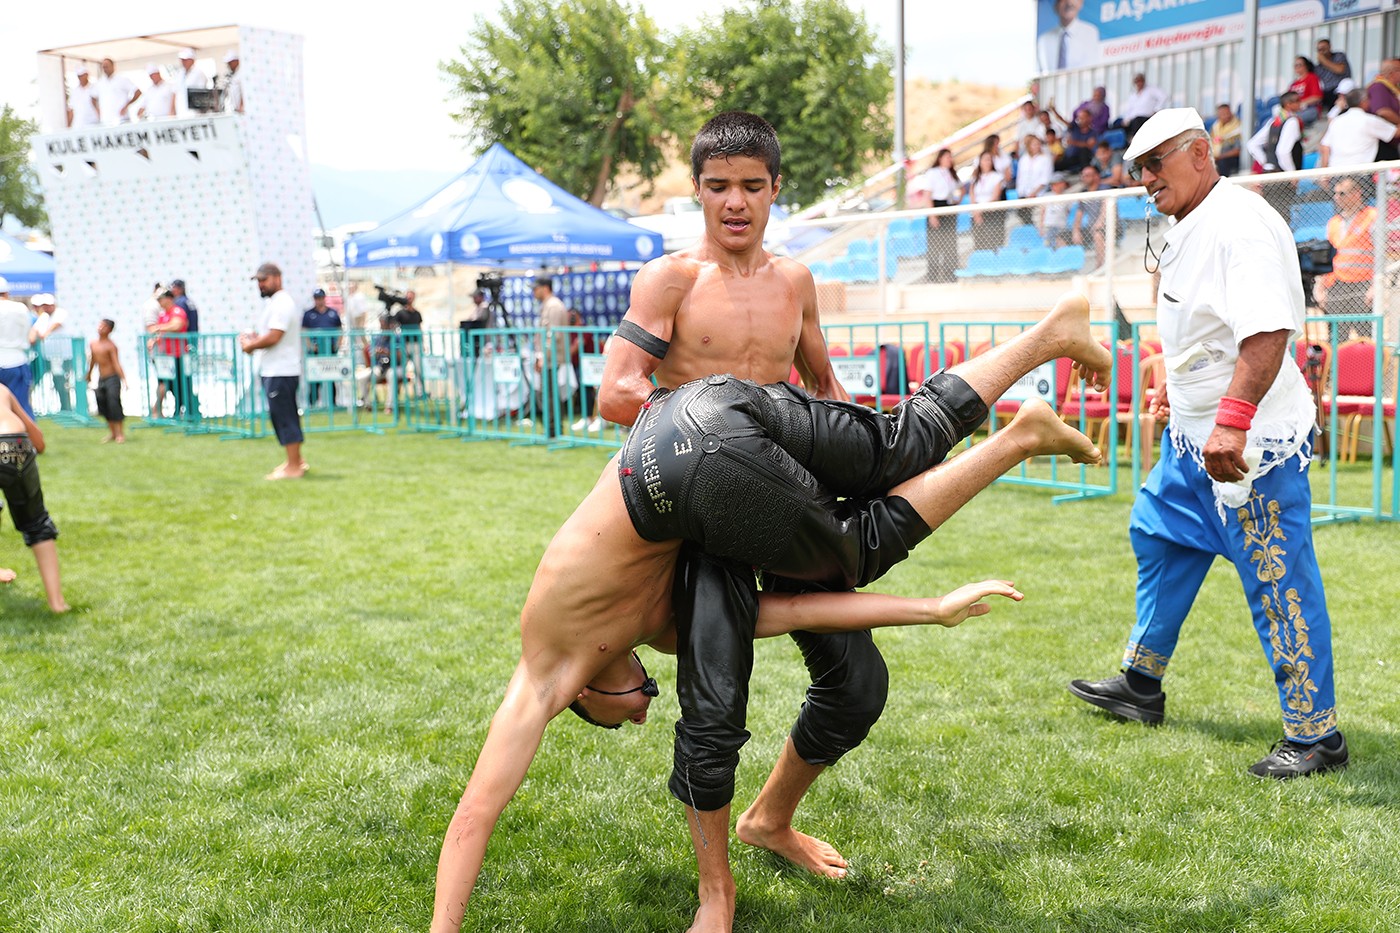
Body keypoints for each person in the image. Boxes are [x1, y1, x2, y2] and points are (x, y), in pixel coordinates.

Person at [433, 292, 1111, 933]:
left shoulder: (547, 670)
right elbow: (789, 610)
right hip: (701, 410)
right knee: (891, 446)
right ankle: (1050, 334)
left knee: (856, 548)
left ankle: (1017, 441)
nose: (644, 706)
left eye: (627, 707)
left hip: (688, 469)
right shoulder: (666, 620)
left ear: (581, 694)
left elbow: (475, 812)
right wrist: (929, 609)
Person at [1070, 108, 1347, 780]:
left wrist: (1230, 419)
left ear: (1200, 154)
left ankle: (1317, 735)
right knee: (1159, 535)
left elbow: (1265, 332)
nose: (1145, 179)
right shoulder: (1191, 222)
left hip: (1249, 444)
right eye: (1138, 167)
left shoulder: (1240, 224)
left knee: (1279, 580)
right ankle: (1141, 680)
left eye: (1156, 164)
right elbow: (1206, 333)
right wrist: (1178, 392)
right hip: (1193, 436)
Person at [0, 383, 66, 613]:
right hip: (16, 442)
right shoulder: (2, 389)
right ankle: (58, 604)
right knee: (37, 522)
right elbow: (36, 436)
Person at [240, 263, 305, 480]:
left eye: (264, 279)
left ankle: (294, 466)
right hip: (276, 369)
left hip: (281, 370)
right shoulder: (276, 303)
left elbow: (275, 336)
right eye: (258, 280)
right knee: (283, 416)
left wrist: (250, 345)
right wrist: (253, 339)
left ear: (277, 277)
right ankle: (294, 461)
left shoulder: (282, 303)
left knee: (285, 417)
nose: (260, 284)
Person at [1313, 177, 1377, 339]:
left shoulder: (1372, 216)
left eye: (1342, 193)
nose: (1337, 198)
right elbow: (1327, 258)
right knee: (1336, 337)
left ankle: (1371, 365)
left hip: (1363, 285)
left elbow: (1380, 254)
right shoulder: (1334, 222)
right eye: (1335, 194)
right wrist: (1321, 287)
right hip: (1337, 285)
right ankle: (1336, 365)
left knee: (1367, 337)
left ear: (1357, 194)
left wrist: (1375, 286)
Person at [524, 277, 568, 436]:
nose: (534, 292)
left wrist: (543, 356)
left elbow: (553, 335)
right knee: (549, 393)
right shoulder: (549, 305)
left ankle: (553, 429)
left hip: (552, 358)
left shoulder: (554, 306)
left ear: (545, 288)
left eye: (536, 288)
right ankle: (553, 428)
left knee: (549, 394)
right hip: (549, 357)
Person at [1319, 88, 1400, 168]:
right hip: (1360, 173)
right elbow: (1396, 133)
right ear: (1363, 101)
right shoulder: (1369, 120)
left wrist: (1324, 174)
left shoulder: (1336, 120)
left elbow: (1325, 146)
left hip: (1335, 172)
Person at [917, 147, 963, 283]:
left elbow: (961, 188)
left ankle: (950, 275)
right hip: (936, 207)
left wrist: (957, 201)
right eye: (947, 157)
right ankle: (933, 277)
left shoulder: (951, 173)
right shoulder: (933, 173)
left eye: (951, 157)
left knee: (950, 243)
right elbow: (928, 195)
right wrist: (932, 215)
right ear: (940, 158)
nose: (950, 160)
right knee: (934, 244)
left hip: (949, 207)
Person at [147, 290, 187, 420]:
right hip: (165, 356)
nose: (158, 302)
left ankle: (180, 412)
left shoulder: (177, 311)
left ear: (168, 298)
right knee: (164, 383)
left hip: (177, 355)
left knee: (179, 386)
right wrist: (153, 340)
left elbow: (177, 325)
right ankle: (158, 411)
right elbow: (160, 333)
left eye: (160, 299)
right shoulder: (163, 314)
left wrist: (159, 328)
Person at [29, 295, 73, 414]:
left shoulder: (60, 313)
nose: (46, 308)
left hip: (60, 355)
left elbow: (57, 324)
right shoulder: (43, 317)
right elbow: (35, 329)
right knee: (41, 379)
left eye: (48, 305)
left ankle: (66, 408)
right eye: (44, 305)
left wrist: (46, 333)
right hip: (47, 355)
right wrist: (32, 337)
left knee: (60, 381)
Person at [86, 319, 127, 443]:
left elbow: (116, 363)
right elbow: (93, 361)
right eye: (99, 325)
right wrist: (89, 374)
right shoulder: (93, 344)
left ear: (109, 330)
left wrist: (124, 379)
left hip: (113, 378)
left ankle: (120, 433)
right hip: (101, 378)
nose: (100, 328)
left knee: (114, 404)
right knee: (102, 404)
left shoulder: (111, 346)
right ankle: (112, 433)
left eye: (103, 326)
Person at [0, 278, 36, 419]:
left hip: (12, 358)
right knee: (21, 407)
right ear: (7, 293)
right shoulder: (20, 308)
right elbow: (30, 334)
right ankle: (27, 441)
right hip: (16, 360)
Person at [302, 288, 343, 407]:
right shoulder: (309, 314)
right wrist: (310, 346)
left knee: (332, 375)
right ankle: (312, 403)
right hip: (316, 350)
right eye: (316, 298)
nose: (319, 301)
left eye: (321, 298)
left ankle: (333, 403)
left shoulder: (333, 313)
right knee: (315, 377)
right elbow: (304, 331)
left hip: (330, 349)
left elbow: (340, 329)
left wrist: (338, 344)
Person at [1247, 91, 1303, 173]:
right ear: (1288, 104)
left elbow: (1252, 144)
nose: (1300, 103)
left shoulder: (1273, 121)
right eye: (1297, 100)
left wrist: (1267, 163)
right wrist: (1291, 173)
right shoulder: (1292, 121)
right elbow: (1283, 152)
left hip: (1270, 171)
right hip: (1283, 174)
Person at [1037, 0, 1099, 72]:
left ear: (1081, 3)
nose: (1069, 3)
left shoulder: (1090, 33)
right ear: (1056, 6)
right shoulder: (1044, 40)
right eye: (1063, 0)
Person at [169, 279, 200, 418]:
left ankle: (188, 409)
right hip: (190, 344)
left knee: (181, 380)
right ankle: (191, 408)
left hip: (182, 347)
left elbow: (182, 323)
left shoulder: (180, 303)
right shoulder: (188, 301)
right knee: (185, 379)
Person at [1071, 163, 1109, 268]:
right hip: (1090, 228)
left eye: (1087, 175)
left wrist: (1100, 223)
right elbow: (1079, 215)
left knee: (1097, 233)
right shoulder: (1083, 193)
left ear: (1096, 176)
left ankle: (1100, 267)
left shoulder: (1104, 189)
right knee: (1060, 236)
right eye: (1083, 175)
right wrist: (1076, 231)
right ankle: (1069, 269)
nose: (1084, 178)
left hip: (1109, 227)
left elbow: (1106, 209)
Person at [969, 149, 1007, 252]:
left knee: (994, 243)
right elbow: (972, 195)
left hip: (991, 214)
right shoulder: (975, 178)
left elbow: (995, 196)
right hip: (977, 213)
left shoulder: (997, 177)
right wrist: (976, 212)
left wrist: (981, 210)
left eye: (989, 160)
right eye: (984, 160)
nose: (987, 162)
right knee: (980, 244)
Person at [1116, 74, 1167, 142]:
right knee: (1117, 124)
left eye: (1140, 81)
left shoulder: (1151, 90)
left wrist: (1156, 109)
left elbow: (1164, 97)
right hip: (1133, 120)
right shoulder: (1133, 95)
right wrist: (1126, 120)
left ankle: (1135, 140)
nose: (1139, 83)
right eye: (1137, 81)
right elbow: (1129, 109)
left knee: (1137, 120)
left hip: (1145, 118)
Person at [1366, 59, 1400, 160]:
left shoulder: (1392, 89)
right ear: (1392, 73)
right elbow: (1382, 111)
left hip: (1390, 141)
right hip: (1381, 144)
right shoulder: (1379, 87)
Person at [94, 58, 140, 126]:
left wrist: (126, 106)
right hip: (106, 120)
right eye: (104, 67)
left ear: (113, 66)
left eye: (107, 66)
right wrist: (98, 111)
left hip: (122, 119)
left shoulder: (122, 80)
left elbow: (138, 92)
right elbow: (93, 97)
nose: (105, 69)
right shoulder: (100, 83)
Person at [1315, 38, 1352, 111]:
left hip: (1341, 89)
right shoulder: (1319, 66)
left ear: (1329, 47)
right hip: (1327, 92)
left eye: (1324, 48)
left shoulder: (1338, 56)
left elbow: (1339, 70)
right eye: (1319, 49)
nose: (1322, 51)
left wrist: (1324, 61)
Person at [1057, 106, 1097, 172]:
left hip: (1079, 158)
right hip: (1068, 157)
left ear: (1089, 118)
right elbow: (1062, 120)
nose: (1080, 119)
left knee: (1084, 151)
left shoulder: (1093, 132)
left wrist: (1074, 142)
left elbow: (1089, 145)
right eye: (1079, 117)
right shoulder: (1075, 127)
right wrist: (1054, 111)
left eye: (1083, 117)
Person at [1016, 134, 1054, 201]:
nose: (1037, 146)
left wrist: (1034, 193)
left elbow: (1045, 179)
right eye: (1034, 144)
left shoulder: (1045, 159)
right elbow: (1020, 177)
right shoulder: (1023, 159)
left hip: (1039, 195)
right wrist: (1020, 192)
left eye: (1038, 144)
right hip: (1023, 195)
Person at [1039, 172, 1073, 246]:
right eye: (1053, 184)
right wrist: (1041, 227)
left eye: (1057, 183)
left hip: (1061, 227)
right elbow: (1042, 212)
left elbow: (1069, 212)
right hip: (1048, 226)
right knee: (1047, 245)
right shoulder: (1046, 196)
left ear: (1063, 184)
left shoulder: (1068, 197)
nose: (1054, 186)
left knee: (1061, 243)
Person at [1288, 57, 1324, 126]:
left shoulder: (1312, 78)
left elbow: (1317, 97)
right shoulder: (1294, 83)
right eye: (1295, 65)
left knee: (1291, 121)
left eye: (1299, 65)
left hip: (1310, 109)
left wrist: (1300, 104)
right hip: (1295, 110)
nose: (1296, 67)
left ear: (1306, 66)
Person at [174, 48, 210, 117]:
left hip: (194, 113)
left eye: (186, 60)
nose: (183, 62)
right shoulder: (179, 74)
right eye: (182, 60)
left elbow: (201, 94)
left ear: (192, 60)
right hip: (180, 111)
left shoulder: (199, 74)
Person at [1209, 104, 1242, 176]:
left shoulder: (1237, 127)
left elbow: (1238, 150)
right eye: (1222, 114)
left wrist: (1220, 156)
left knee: (1222, 162)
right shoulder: (1215, 127)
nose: (1226, 116)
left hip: (1230, 158)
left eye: (1227, 113)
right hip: (1216, 157)